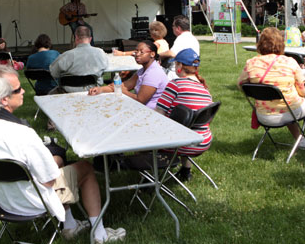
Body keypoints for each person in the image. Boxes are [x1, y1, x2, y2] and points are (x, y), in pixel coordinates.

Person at [0, 64, 125, 244]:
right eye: (17, 89)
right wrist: (55, 158)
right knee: (84, 168)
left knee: (58, 160)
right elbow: (48, 179)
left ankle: (70, 225)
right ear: (4, 99)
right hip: (30, 201)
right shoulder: (22, 133)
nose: (23, 90)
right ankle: (100, 234)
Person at [237, 27, 305, 146]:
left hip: (264, 115)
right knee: (291, 102)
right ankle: (300, 140)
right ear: (281, 43)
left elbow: (241, 85)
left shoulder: (252, 63)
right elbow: (304, 91)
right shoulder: (290, 62)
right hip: (291, 112)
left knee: (285, 103)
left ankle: (299, 139)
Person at [156, 48, 213, 182]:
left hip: (184, 143)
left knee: (146, 141)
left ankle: (149, 179)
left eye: (175, 64)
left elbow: (159, 114)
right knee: (185, 125)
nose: (175, 67)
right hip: (203, 141)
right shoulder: (205, 90)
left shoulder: (175, 84)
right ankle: (185, 171)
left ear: (180, 66)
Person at [88, 40, 168, 110]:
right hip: (142, 109)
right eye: (136, 51)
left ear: (152, 54)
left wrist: (121, 91)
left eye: (141, 52)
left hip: (152, 113)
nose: (137, 54)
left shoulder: (153, 73)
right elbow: (125, 85)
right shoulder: (142, 71)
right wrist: (101, 89)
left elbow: (140, 100)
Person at [49, 25, 107, 93]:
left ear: (76, 38)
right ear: (90, 39)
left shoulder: (66, 55)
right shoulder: (100, 53)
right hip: (93, 91)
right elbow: (104, 70)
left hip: (67, 92)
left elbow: (53, 73)